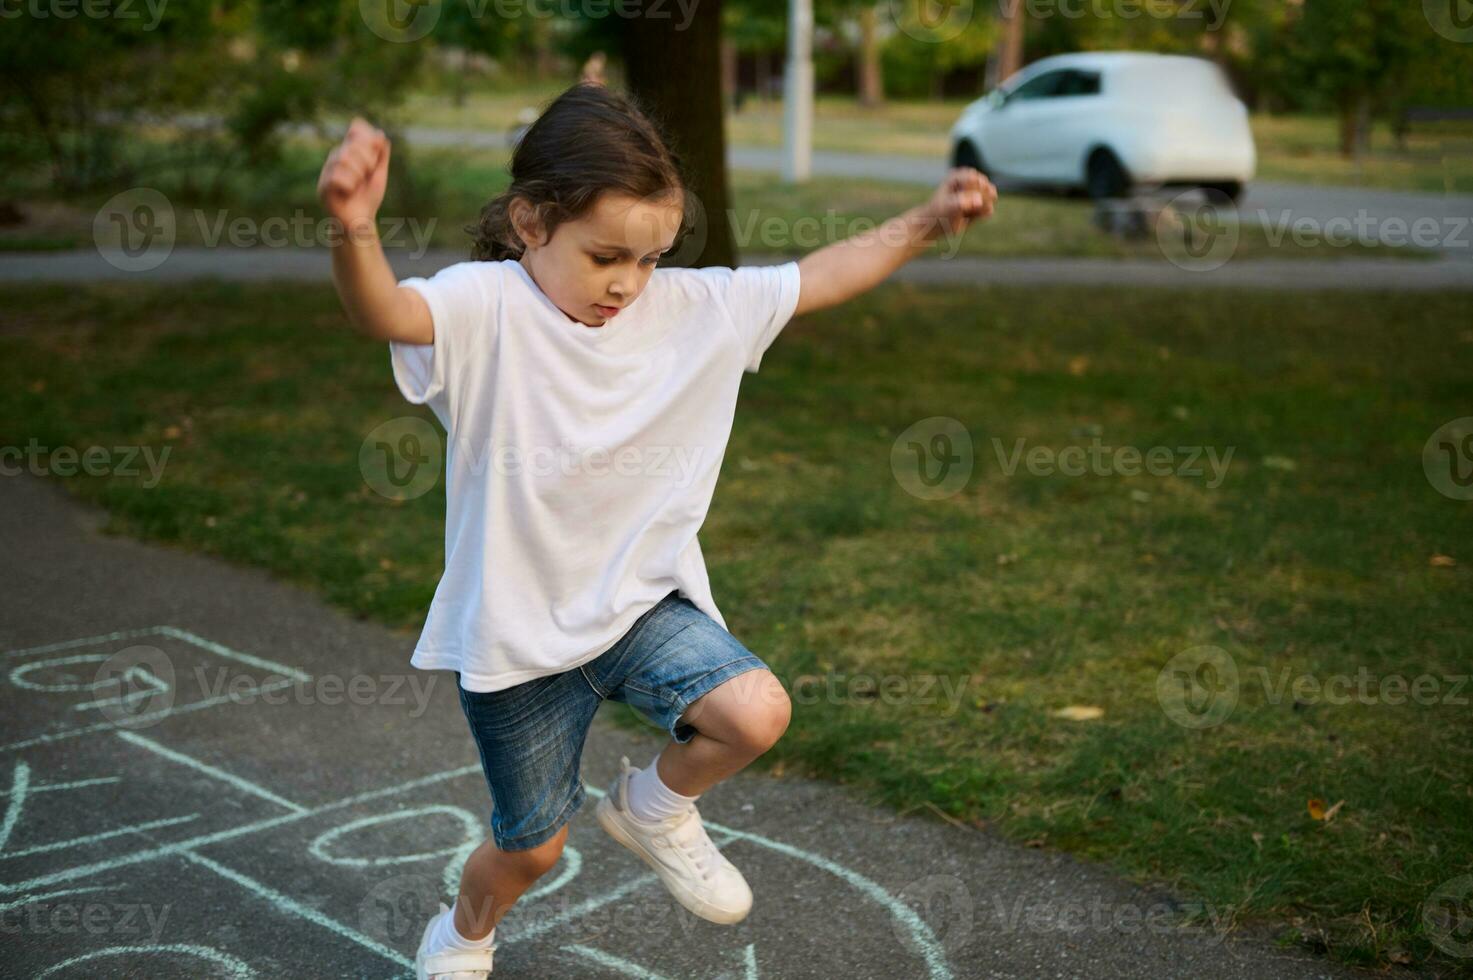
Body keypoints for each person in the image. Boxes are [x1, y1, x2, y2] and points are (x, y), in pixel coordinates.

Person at [316, 81, 996, 979]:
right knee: (530, 853)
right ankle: (463, 933)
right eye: (605, 257)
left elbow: (819, 277)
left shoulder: (688, 311)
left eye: (650, 258)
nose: (628, 284)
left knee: (754, 713)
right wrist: (353, 228)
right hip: (518, 640)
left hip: (639, 607)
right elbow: (383, 314)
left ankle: (652, 807)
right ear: (529, 224)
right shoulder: (484, 308)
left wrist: (925, 222)